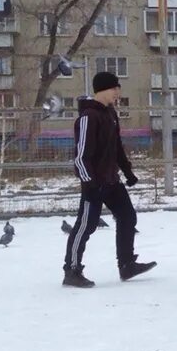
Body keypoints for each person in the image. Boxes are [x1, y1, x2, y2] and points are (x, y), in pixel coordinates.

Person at [62, 71, 155, 287]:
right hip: (94, 183)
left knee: (127, 216)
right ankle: (71, 270)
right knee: (86, 226)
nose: (117, 92)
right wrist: (89, 183)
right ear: (103, 90)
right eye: (114, 88)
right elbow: (81, 156)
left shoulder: (110, 114)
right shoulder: (88, 117)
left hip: (111, 180)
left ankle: (126, 264)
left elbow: (117, 148)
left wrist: (127, 171)